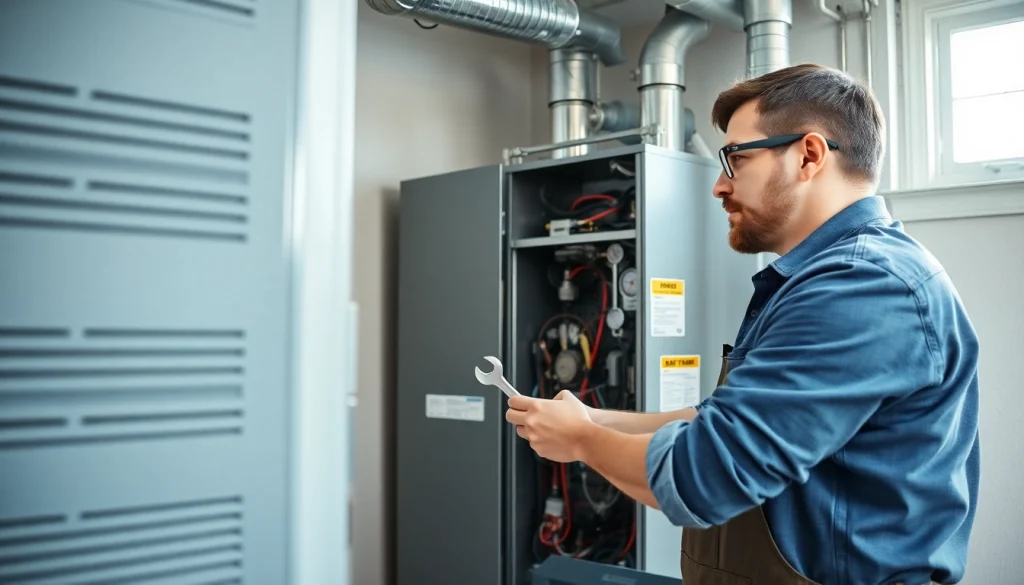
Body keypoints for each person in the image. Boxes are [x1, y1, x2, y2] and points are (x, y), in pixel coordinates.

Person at [504, 63, 980, 585]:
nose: (718, 186)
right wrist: (593, 422)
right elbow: (718, 419)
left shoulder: (860, 286)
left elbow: (704, 475)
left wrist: (579, 442)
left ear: (809, 155)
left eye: (736, 159)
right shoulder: (819, 278)